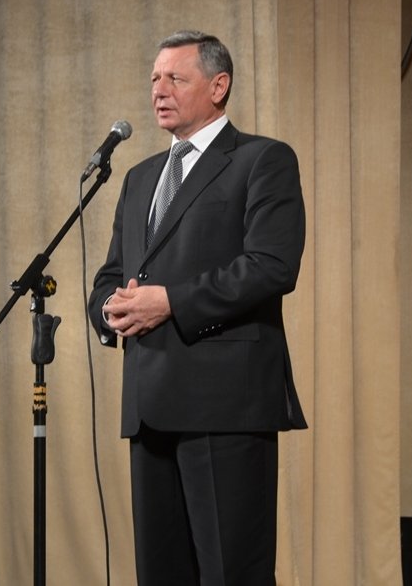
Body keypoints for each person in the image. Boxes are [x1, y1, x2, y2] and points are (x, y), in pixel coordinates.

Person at [89, 30, 307, 586]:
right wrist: (110, 308)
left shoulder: (262, 159)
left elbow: (271, 265)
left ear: (218, 85)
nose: (158, 90)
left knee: (232, 574)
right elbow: (113, 274)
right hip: (150, 403)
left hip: (224, 404)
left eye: (175, 78)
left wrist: (170, 302)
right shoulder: (139, 178)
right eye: (154, 79)